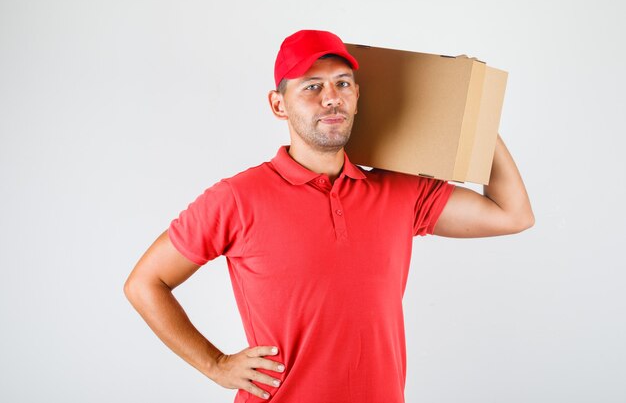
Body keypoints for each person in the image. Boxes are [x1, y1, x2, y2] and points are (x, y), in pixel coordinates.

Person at [124, 29, 534, 402]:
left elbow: (512, 214)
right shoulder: (237, 198)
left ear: (357, 98)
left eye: (343, 84)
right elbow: (145, 283)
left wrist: (474, 108)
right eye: (312, 87)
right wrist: (215, 365)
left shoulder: (398, 190)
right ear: (278, 105)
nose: (331, 97)